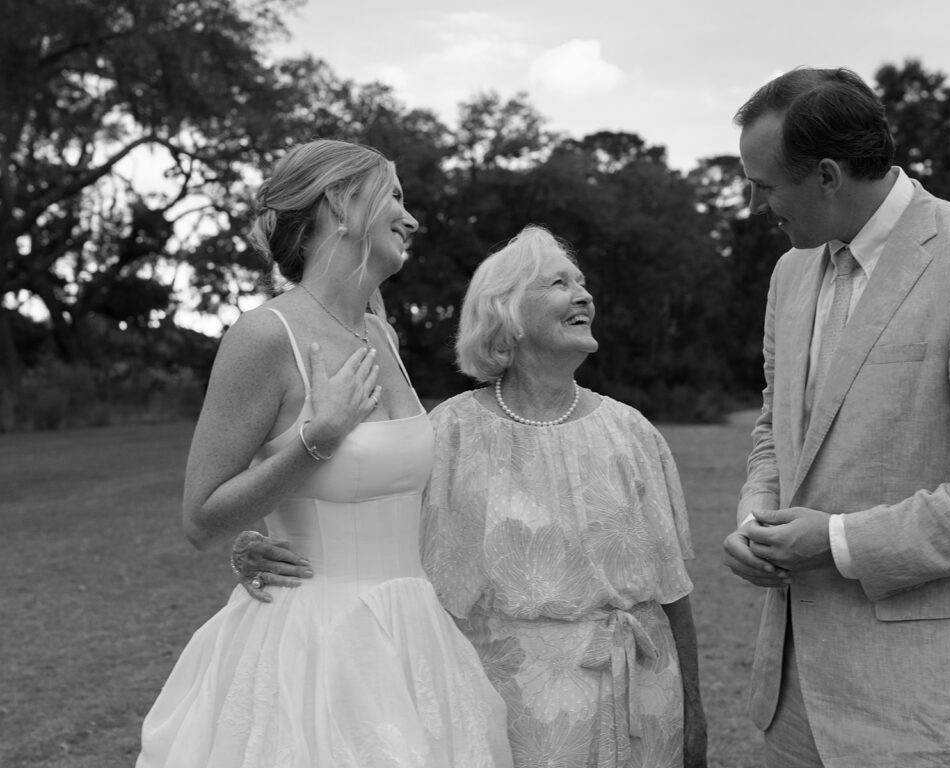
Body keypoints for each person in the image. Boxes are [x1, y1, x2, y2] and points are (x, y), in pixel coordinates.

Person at [237, 225, 707, 767]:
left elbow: (673, 588)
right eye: (559, 283)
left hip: (644, 703)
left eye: (581, 283)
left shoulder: (632, 432)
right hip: (508, 710)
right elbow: (373, 530)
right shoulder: (450, 434)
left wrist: (693, 710)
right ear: (506, 315)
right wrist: (260, 548)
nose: (584, 295)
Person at [135, 139, 513, 768]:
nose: (411, 219)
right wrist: (320, 438)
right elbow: (201, 518)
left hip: (412, 635)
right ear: (340, 203)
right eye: (394, 196)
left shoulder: (381, 333)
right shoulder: (263, 336)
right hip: (313, 646)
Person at [722, 66, 950, 767]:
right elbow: (775, 427)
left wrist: (839, 542)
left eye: (764, 185)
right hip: (792, 706)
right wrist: (754, 518)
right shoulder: (790, 272)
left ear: (828, 176)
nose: (755, 203)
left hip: (926, 711)